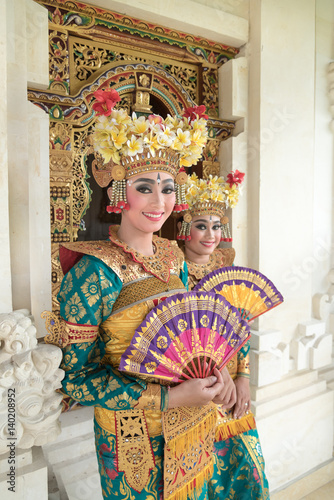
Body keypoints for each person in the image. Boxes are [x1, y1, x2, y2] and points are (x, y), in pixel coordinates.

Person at [43, 90, 237, 500]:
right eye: (145, 187)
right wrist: (166, 397)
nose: (159, 201)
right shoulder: (94, 271)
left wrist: (220, 374)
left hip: (193, 421)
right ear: (118, 193)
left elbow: (193, 332)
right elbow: (75, 379)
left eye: (168, 189)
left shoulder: (172, 255)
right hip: (133, 433)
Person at [177, 172, 270, 499]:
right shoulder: (173, 274)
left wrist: (243, 377)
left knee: (245, 468)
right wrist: (219, 378)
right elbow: (179, 341)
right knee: (204, 474)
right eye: (202, 225)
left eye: (217, 226)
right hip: (196, 386)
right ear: (184, 228)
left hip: (232, 382)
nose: (211, 234)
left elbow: (239, 333)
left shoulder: (226, 272)